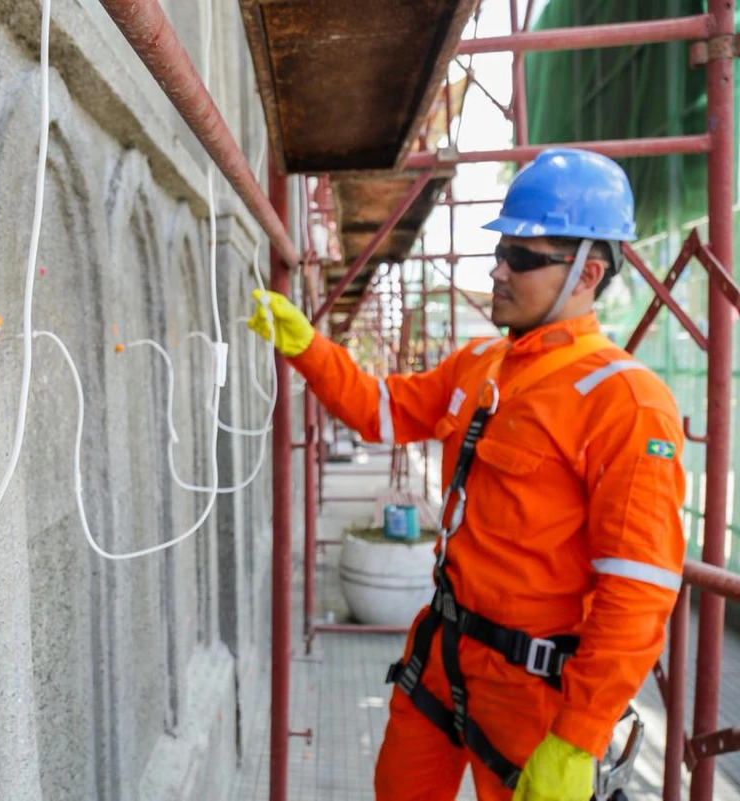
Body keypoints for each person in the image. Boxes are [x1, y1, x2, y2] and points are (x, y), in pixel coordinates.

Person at [248, 148, 686, 801]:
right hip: (442, 654)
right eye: (500, 250)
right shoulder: (480, 363)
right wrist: (309, 348)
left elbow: (638, 589)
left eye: (522, 257)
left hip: (533, 694)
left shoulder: (626, 403)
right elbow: (380, 409)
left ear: (588, 274)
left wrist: (577, 738)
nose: (497, 270)